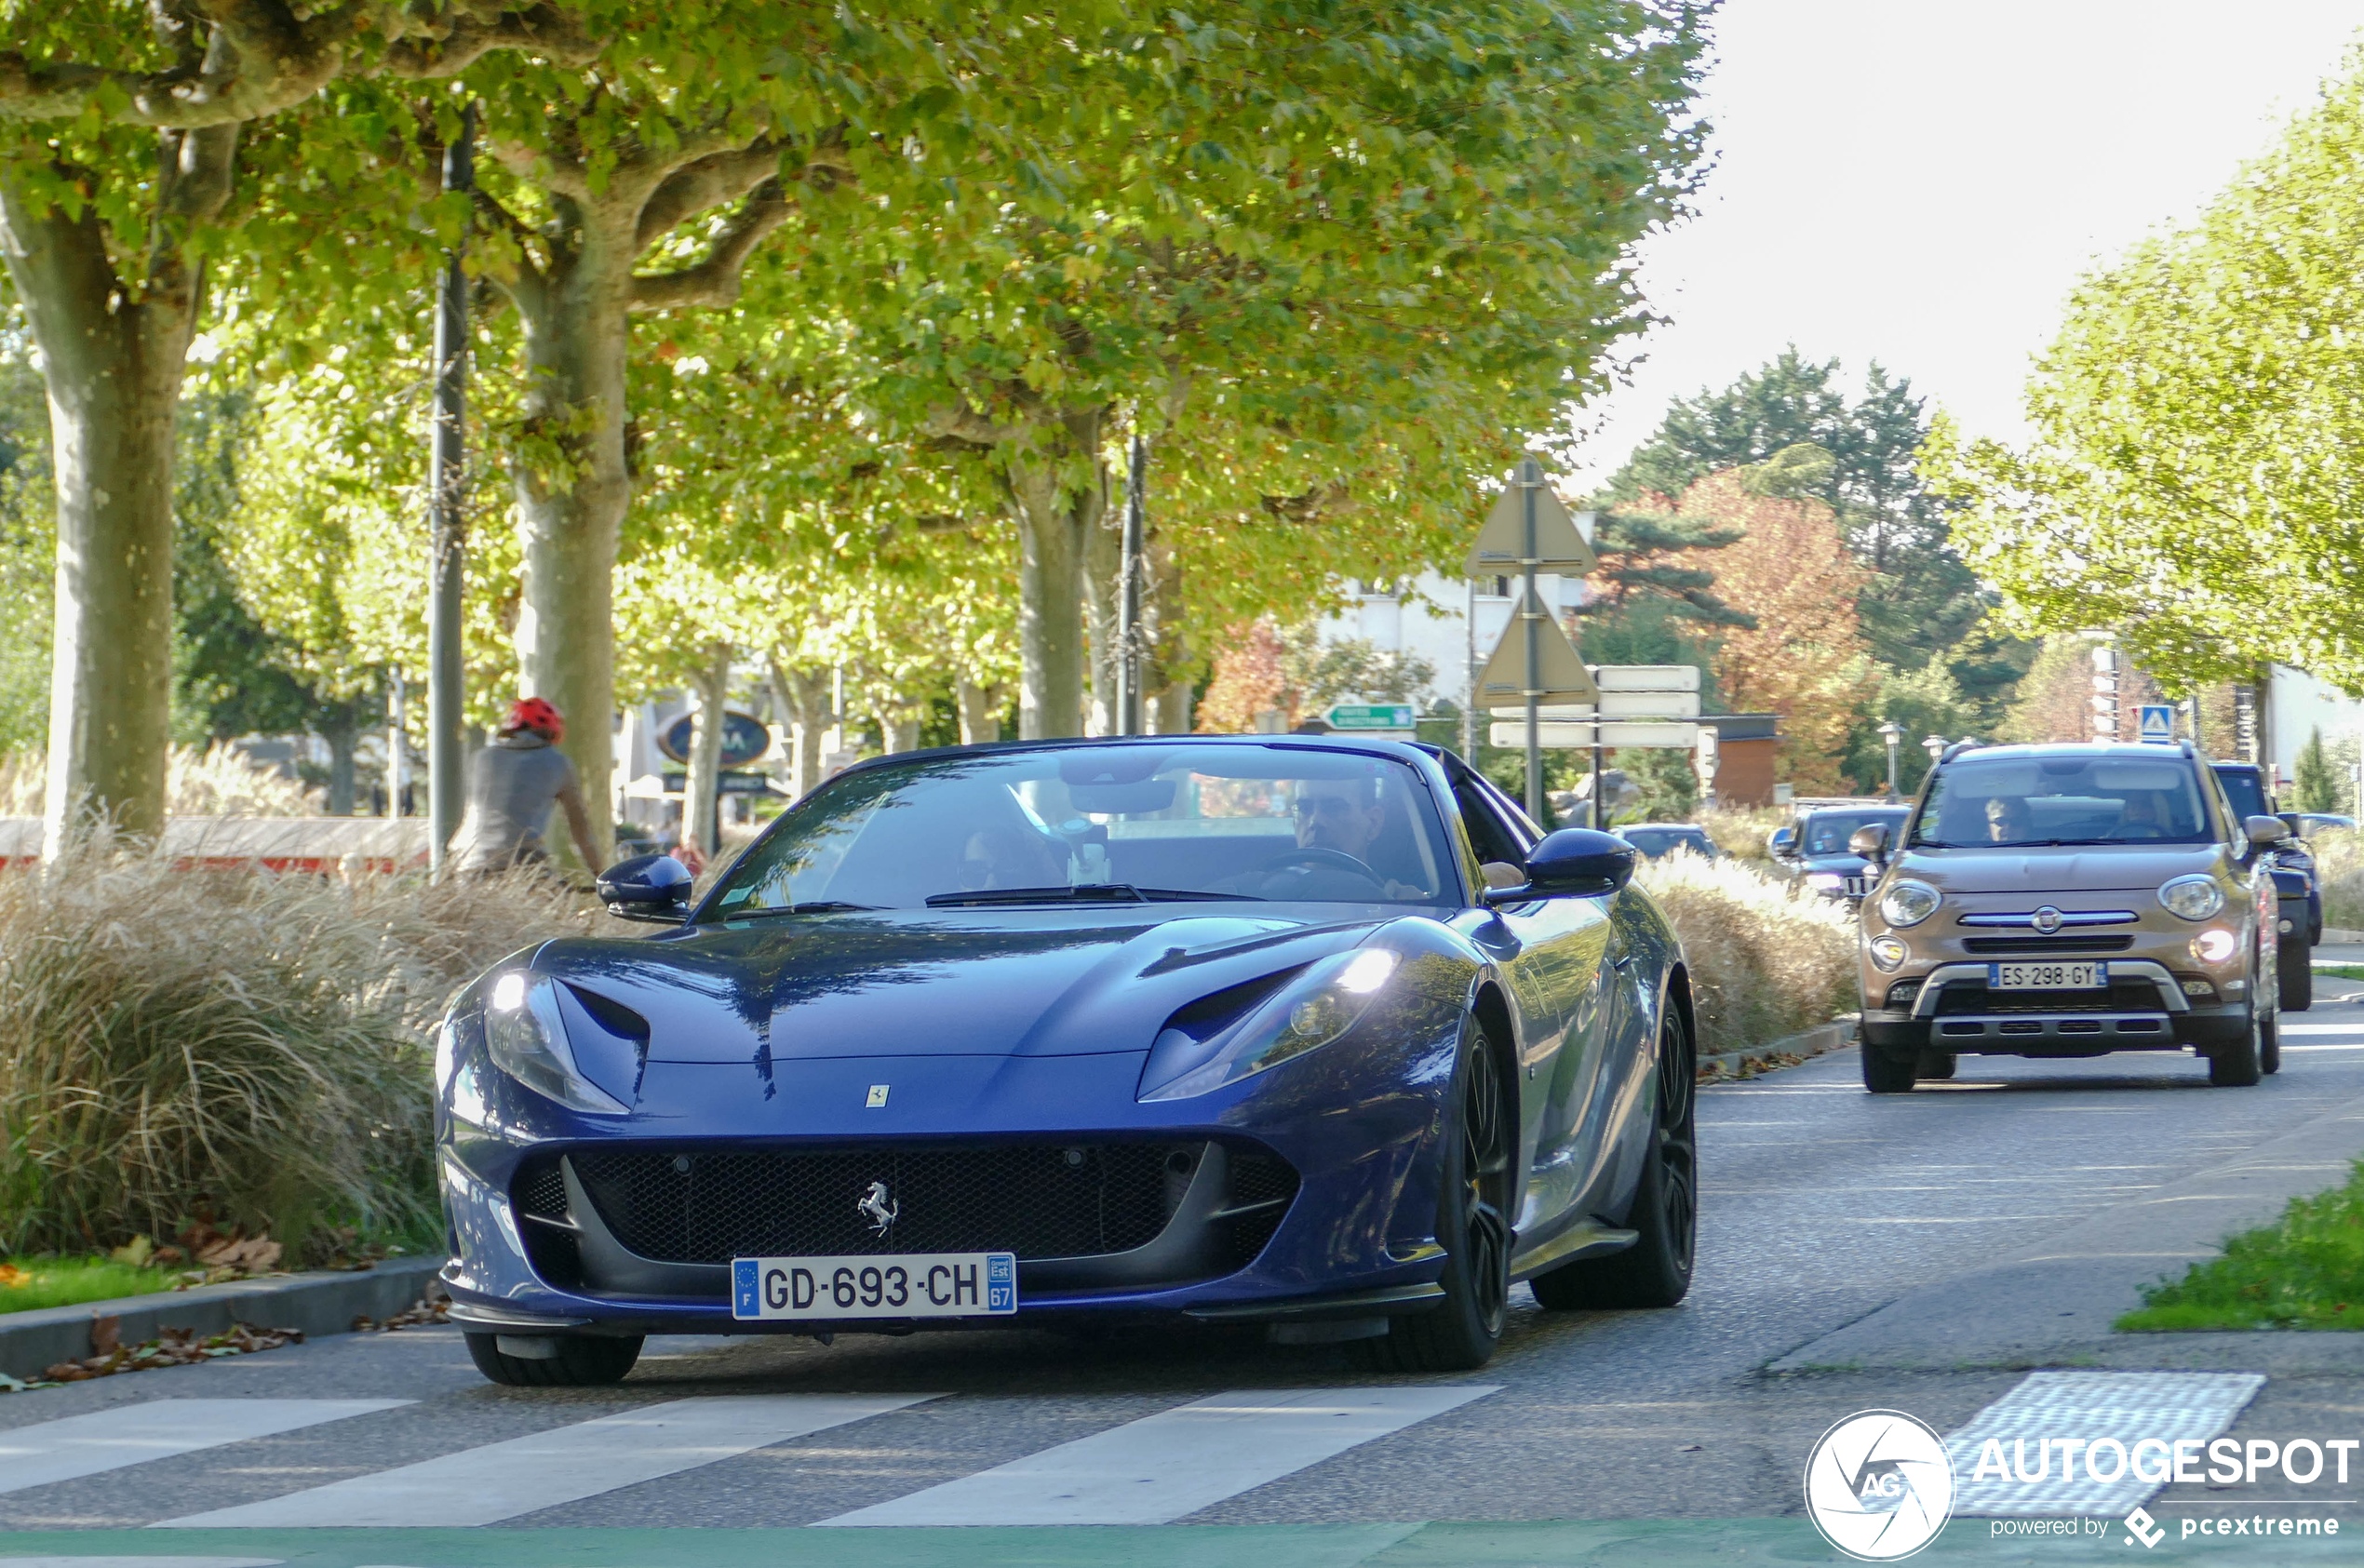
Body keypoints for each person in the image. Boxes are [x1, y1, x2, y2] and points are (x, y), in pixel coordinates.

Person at [450, 698, 604, 877]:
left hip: (468, 863)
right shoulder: (559, 763)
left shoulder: (482, 758)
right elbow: (580, 830)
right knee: (555, 899)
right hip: (520, 866)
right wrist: (599, 873)